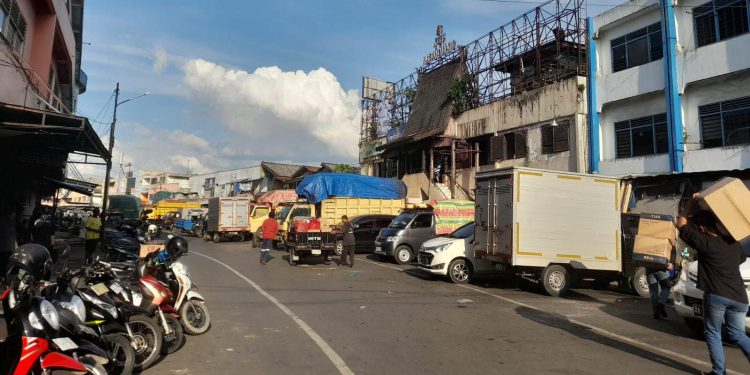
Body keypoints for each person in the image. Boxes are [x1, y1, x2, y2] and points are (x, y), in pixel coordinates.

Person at [677, 193, 750, 374]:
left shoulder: (704, 242)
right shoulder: (733, 243)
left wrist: (693, 202)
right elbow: (740, 259)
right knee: (738, 334)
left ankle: (719, 372)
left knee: (713, 332)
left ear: (702, 227)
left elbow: (681, 223)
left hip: (717, 295)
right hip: (740, 297)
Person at [647, 243, 676, 320]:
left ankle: (656, 313)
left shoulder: (647, 236)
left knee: (653, 292)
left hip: (649, 268)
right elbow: (673, 249)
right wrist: (671, 262)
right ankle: (661, 305)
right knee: (666, 287)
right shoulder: (665, 235)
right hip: (662, 268)